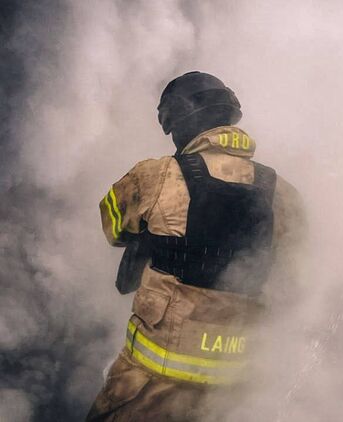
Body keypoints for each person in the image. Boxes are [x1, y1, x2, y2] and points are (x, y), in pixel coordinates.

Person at [87, 71, 304, 421]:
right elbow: (292, 274)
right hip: (234, 388)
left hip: (152, 381)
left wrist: (154, 237)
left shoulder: (155, 174)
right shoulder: (283, 193)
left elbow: (112, 227)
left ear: (178, 122)